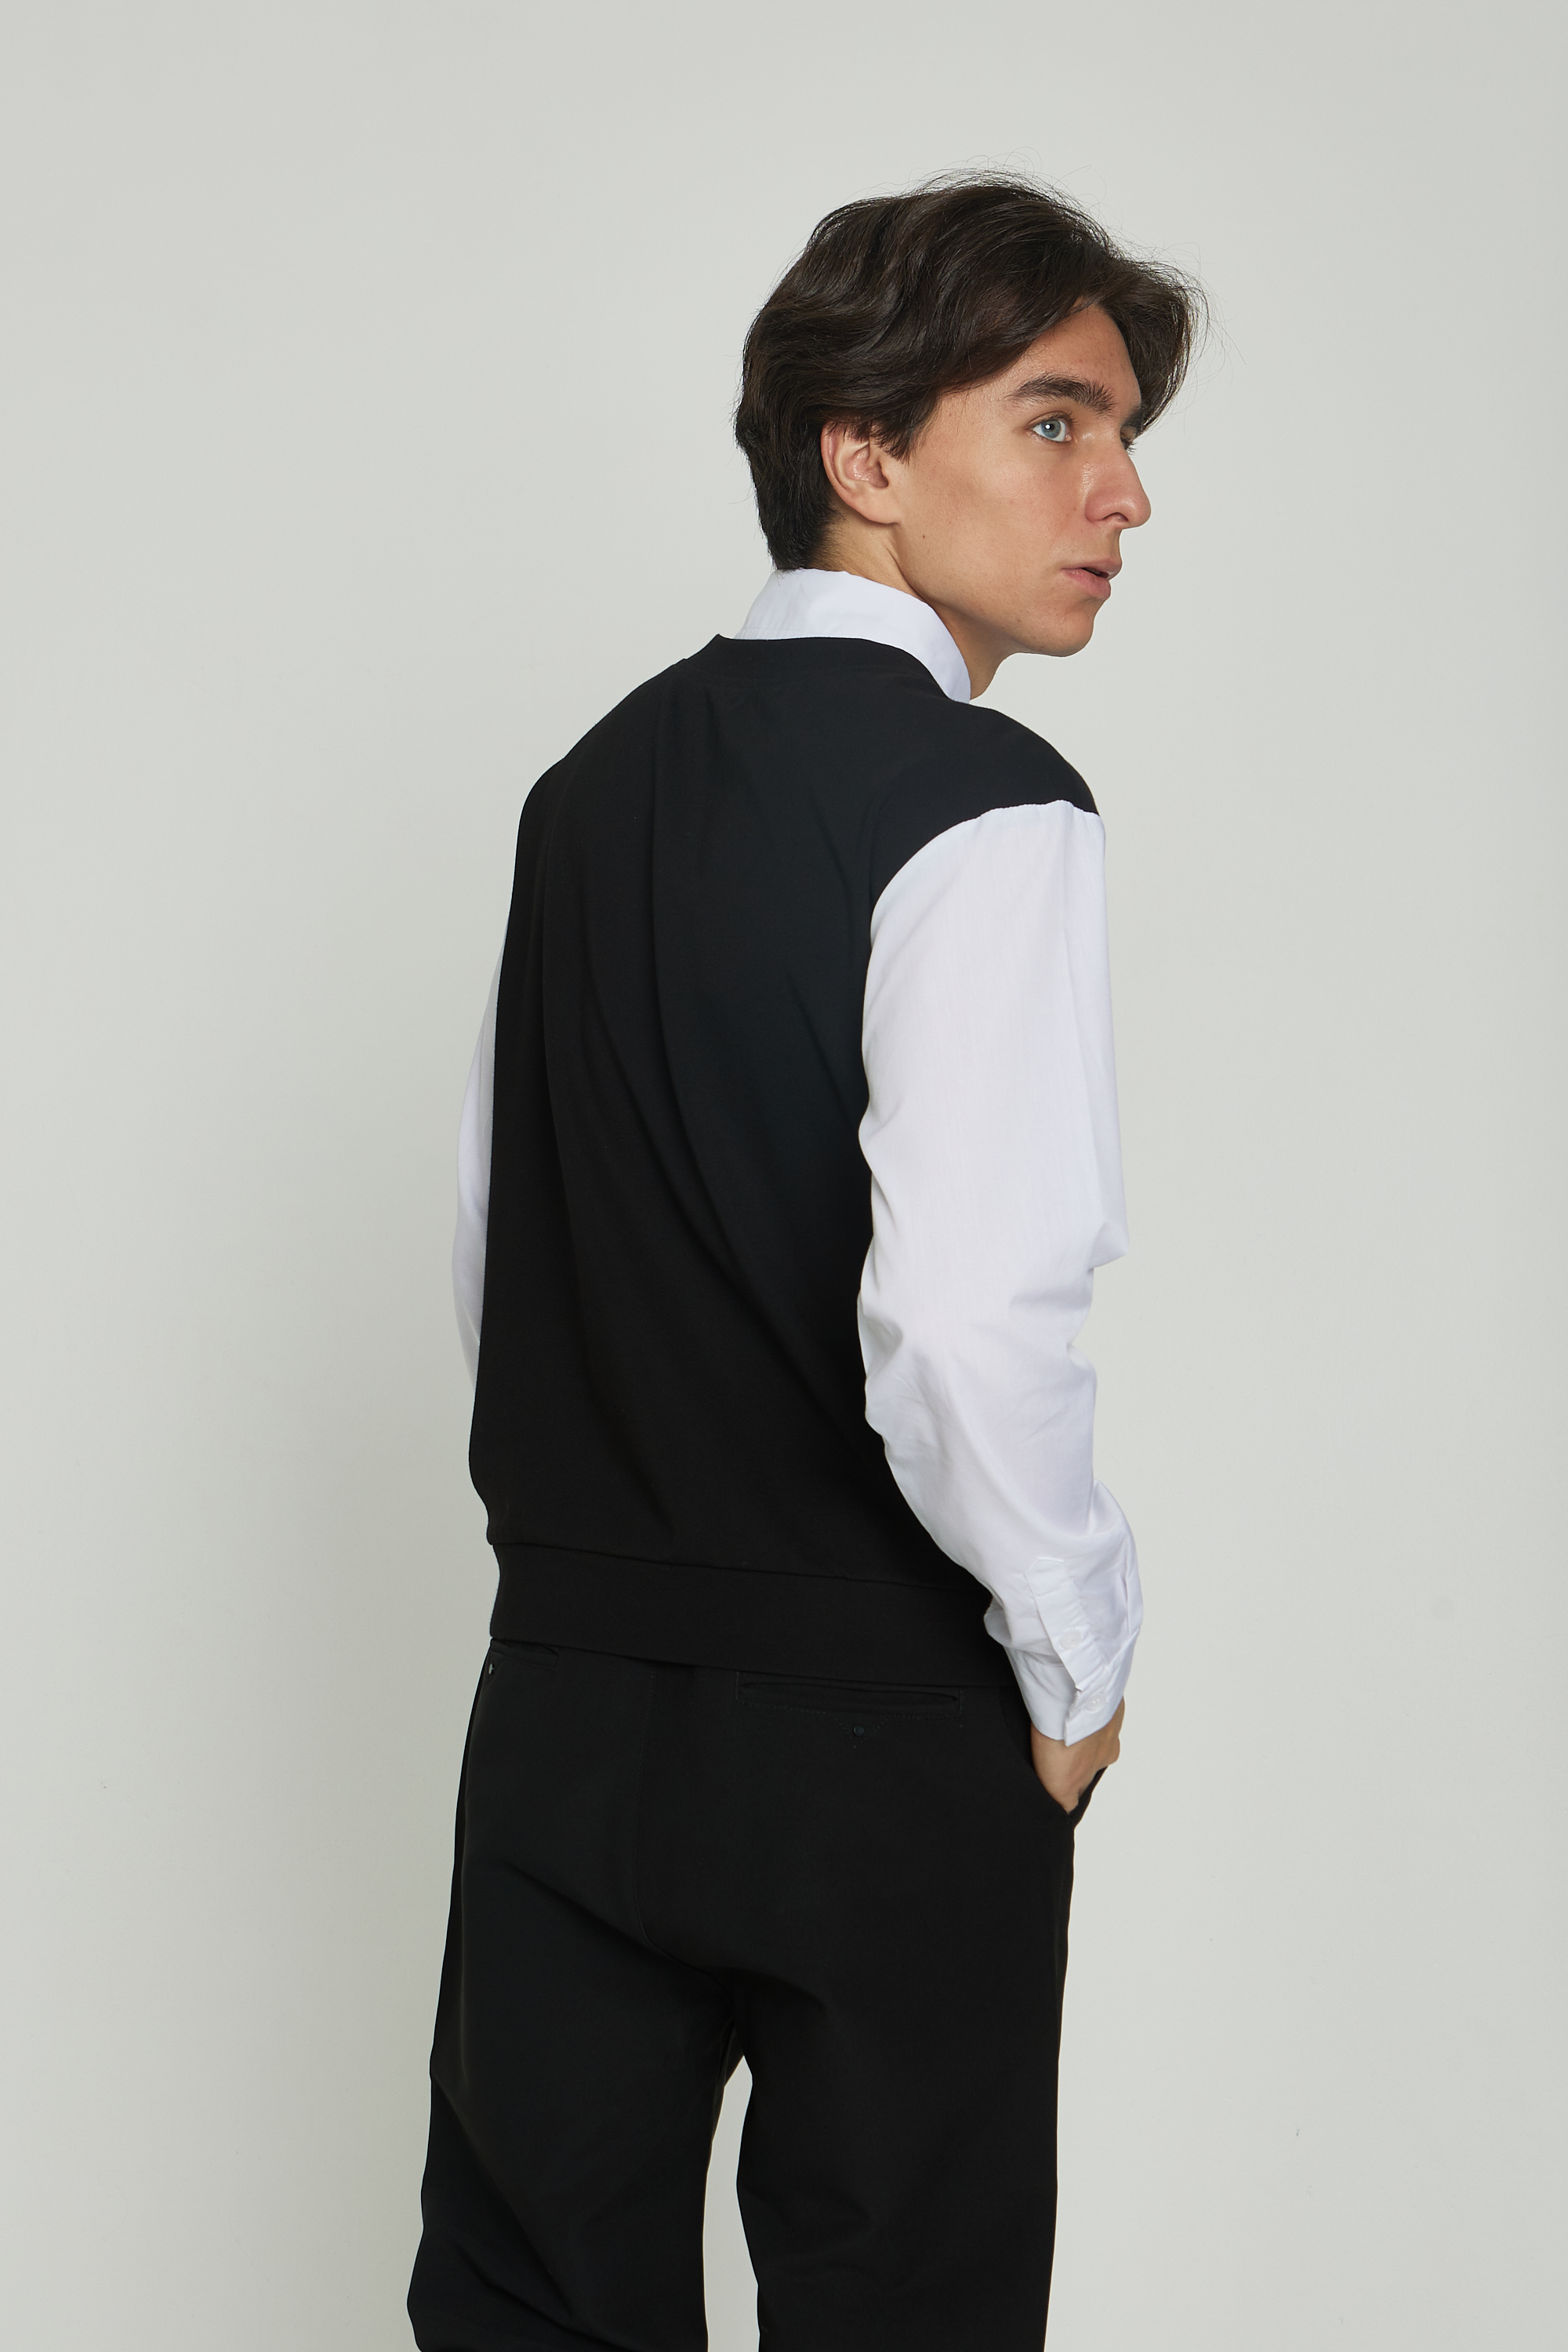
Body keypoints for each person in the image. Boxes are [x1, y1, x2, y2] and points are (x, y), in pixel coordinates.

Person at [408, 172, 1200, 2352]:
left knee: (527, 2312)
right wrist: (1076, 1659)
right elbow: (962, 1314)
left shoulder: (585, 792)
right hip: (881, 1719)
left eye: (1125, 436)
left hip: (569, 1706)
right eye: (1056, 421)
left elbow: (503, 1248)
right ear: (864, 453)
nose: (1123, 494)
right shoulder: (987, 802)